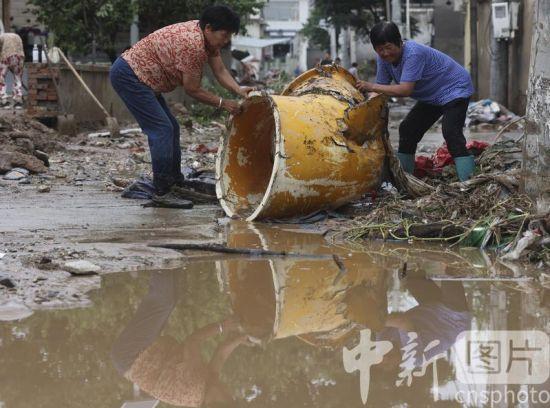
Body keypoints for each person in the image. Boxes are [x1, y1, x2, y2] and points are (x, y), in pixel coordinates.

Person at [110, 5, 253, 198]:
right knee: (161, 129)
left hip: (144, 78)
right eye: (225, 35)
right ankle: (161, 190)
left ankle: (174, 180)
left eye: (229, 36)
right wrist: (223, 103)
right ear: (209, 28)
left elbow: (220, 71)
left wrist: (238, 89)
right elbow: (192, 89)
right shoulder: (193, 45)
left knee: (172, 127)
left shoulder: (208, 40)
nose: (227, 41)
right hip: (130, 76)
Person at [356, 21, 475, 181]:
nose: (385, 53)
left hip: (454, 87)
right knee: (407, 130)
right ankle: (405, 180)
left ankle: (468, 182)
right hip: (433, 95)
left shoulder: (413, 53)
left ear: (399, 41)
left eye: (388, 47)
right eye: (380, 49)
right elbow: (381, 89)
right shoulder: (382, 59)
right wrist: (364, 109)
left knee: (451, 133)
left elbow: (405, 89)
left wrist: (370, 86)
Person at [0, 32, 25, 109]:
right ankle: (18, 101)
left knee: (1, 77)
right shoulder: (17, 36)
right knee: (17, 78)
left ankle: (4, 101)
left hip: (6, 56)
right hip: (19, 57)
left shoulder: (1, 37)